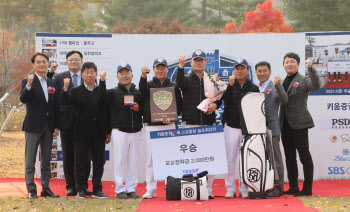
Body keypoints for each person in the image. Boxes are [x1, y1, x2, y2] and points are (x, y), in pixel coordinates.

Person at [176, 50, 222, 199]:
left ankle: (208, 189)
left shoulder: (212, 79)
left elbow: (220, 95)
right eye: (195, 60)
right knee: (190, 159)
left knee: (208, 158)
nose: (198, 62)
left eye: (201, 60)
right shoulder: (187, 78)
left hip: (208, 123)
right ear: (191, 63)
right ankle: (191, 188)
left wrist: (216, 105)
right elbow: (179, 84)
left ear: (205, 63)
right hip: (190, 124)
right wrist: (180, 67)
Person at [47, 50, 93, 196]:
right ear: (66, 62)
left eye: (77, 60)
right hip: (66, 122)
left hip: (84, 123)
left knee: (84, 156)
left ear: (82, 62)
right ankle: (71, 186)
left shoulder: (88, 77)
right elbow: (53, 99)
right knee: (68, 156)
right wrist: (55, 124)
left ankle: (83, 186)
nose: (74, 62)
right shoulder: (59, 78)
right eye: (71, 60)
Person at [60, 62, 108, 199]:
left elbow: (105, 108)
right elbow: (63, 101)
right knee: (80, 162)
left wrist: (107, 132)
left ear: (96, 74)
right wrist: (65, 88)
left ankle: (97, 189)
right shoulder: (75, 91)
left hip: (98, 133)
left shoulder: (101, 90)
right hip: (81, 133)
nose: (89, 75)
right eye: (86, 72)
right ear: (82, 75)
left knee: (99, 162)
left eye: (92, 72)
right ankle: (80, 188)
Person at [139, 58, 182, 199]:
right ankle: (151, 189)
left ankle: (171, 187)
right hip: (152, 127)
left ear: (167, 69)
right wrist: (143, 76)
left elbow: (179, 106)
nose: (160, 70)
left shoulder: (174, 86)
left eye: (163, 67)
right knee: (151, 159)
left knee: (170, 157)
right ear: (153, 69)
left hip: (169, 125)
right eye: (157, 68)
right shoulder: (148, 85)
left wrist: (173, 117)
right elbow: (142, 90)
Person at [280, 52, 321, 197]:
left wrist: (311, 69)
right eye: (286, 62)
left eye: (292, 62)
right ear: (283, 65)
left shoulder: (303, 80)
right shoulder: (282, 81)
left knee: (304, 157)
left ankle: (307, 189)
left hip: (300, 124)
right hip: (284, 125)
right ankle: (293, 187)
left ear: (297, 64)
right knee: (290, 158)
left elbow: (316, 85)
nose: (289, 64)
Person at [20, 52, 60, 199]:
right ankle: (31, 189)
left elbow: (54, 106)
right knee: (30, 160)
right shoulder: (27, 81)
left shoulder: (52, 83)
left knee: (46, 161)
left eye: (44, 62)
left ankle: (46, 188)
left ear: (48, 64)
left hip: (48, 127)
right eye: (38, 62)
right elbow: (23, 99)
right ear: (33, 65)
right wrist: (29, 85)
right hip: (32, 126)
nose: (41, 64)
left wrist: (56, 126)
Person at [221, 58, 259, 199]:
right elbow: (226, 101)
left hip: (248, 129)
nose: (240, 71)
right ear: (233, 71)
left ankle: (244, 187)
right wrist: (230, 86)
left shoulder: (254, 87)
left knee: (245, 160)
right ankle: (230, 188)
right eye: (237, 68)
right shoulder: (229, 85)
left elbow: (257, 109)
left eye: (242, 68)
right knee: (230, 159)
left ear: (248, 71)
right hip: (231, 126)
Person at [106, 63, 144, 199]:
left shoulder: (139, 93)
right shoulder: (112, 92)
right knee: (120, 161)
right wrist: (107, 131)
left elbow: (145, 111)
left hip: (136, 131)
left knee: (133, 162)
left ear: (132, 75)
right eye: (121, 73)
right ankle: (120, 189)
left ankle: (131, 188)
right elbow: (105, 111)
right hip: (119, 131)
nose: (124, 75)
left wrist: (139, 108)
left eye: (127, 73)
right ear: (117, 76)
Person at [255, 61, 288, 197]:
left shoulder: (275, 86)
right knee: (262, 159)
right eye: (259, 71)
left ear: (269, 72)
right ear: (256, 73)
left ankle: (278, 188)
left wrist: (278, 85)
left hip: (272, 129)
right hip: (256, 129)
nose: (262, 73)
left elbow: (284, 100)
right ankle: (266, 185)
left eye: (265, 71)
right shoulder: (254, 87)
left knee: (275, 160)